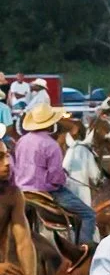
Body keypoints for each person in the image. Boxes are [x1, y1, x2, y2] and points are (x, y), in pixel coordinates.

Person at [13, 98, 93, 245]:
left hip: (21, 190)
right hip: (45, 192)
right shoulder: (51, 145)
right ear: (51, 123)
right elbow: (56, 178)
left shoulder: (21, 141)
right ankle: (84, 251)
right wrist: (63, 176)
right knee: (88, 215)